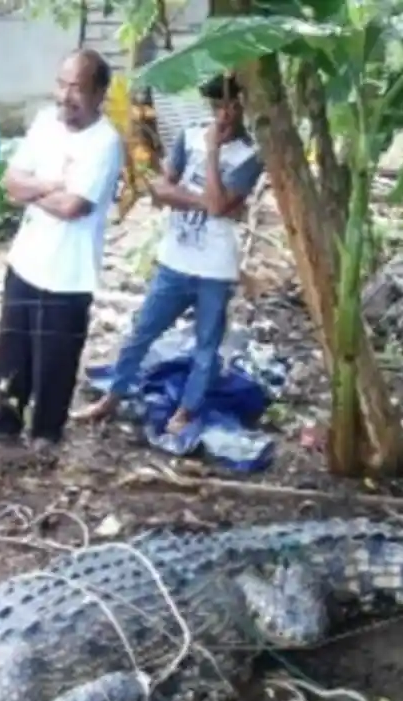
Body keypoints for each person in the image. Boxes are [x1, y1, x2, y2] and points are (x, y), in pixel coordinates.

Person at [73, 73, 263, 434]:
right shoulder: (189, 134)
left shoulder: (250, 155)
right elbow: (161, 190)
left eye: (229, 106)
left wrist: (211, 153)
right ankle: (112, 397)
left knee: (206, 348)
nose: (221, 113)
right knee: (141, 332)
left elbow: (223, 205)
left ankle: (187, 412)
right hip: (174, 259)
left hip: (215, 267)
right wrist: (202, 200)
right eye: (217, 105)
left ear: (241, 108)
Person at [0, 49, 122, 451]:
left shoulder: (105, 143)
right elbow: (11, 182)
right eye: (62, 83)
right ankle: (5, 424)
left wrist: (35, 189)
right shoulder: (44, 122)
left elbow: (73, 207)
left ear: (100, 92)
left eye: (77, 88)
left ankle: (46, 435)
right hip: (26, 259)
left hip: (69, 273)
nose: (66, 95)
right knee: (12, 350)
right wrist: (51, 186)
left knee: (56, 361)